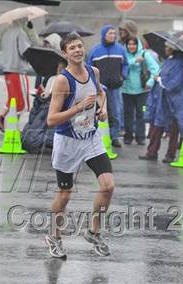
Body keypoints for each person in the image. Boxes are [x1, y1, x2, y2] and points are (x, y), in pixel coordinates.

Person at [45, 32, 114, 258]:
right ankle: (54, 236)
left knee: (108, 186)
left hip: (91, 138)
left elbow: (101, 94)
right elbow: (51, 119)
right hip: (68, 141)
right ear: (64, 53)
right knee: (65, 194)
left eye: (80, 46)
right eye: (72, 48)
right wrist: (79, 107)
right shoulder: (63, 81)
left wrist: (102, 109)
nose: (77, 50)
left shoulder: (94, 72)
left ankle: (94, 232)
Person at [139, 41, 183, 163]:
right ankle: (152, 151)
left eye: (167, 46)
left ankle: (170, 154)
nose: (165, 48)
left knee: (173, 128)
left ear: (172, 49)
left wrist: (159, 79)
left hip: (176, 101)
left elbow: (173, 83)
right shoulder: (169, 61)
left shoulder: (179, 63)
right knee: (157, 125)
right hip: (164, 99)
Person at [87, 24, 128, 148]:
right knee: (99, 112)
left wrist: (123, 76)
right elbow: (89, 68)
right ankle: (97, 136)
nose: (112, 35)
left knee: (116, 113)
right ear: (103, 35)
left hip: (115, 87)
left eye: (113, 33)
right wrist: (94, 83)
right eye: (109, 33)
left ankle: (114, 137)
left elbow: (126, 64)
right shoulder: (95, 51)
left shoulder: (121, 50)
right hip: (100, 88)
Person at [0, 18, 32, 132]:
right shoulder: (20, 33)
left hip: (8, 70)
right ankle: (13, 128)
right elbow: (24, 51)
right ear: (22, 19)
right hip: (18, 70)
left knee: (13, 99)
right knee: (21, 102)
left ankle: (2, 116)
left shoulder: (6, 33)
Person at [122, 36, 159, 145]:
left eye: (134, 44)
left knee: (141, 113)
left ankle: (140, 136)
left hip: (142, 91)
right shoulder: (123, 54)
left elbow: (156, 69)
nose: (131, 46)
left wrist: (150, 82)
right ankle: (128, 136)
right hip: (126, 90)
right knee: (127, 114)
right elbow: (122, 65)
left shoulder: (144, 54)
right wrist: (134, 61)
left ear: (138, 45)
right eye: (129, 44)